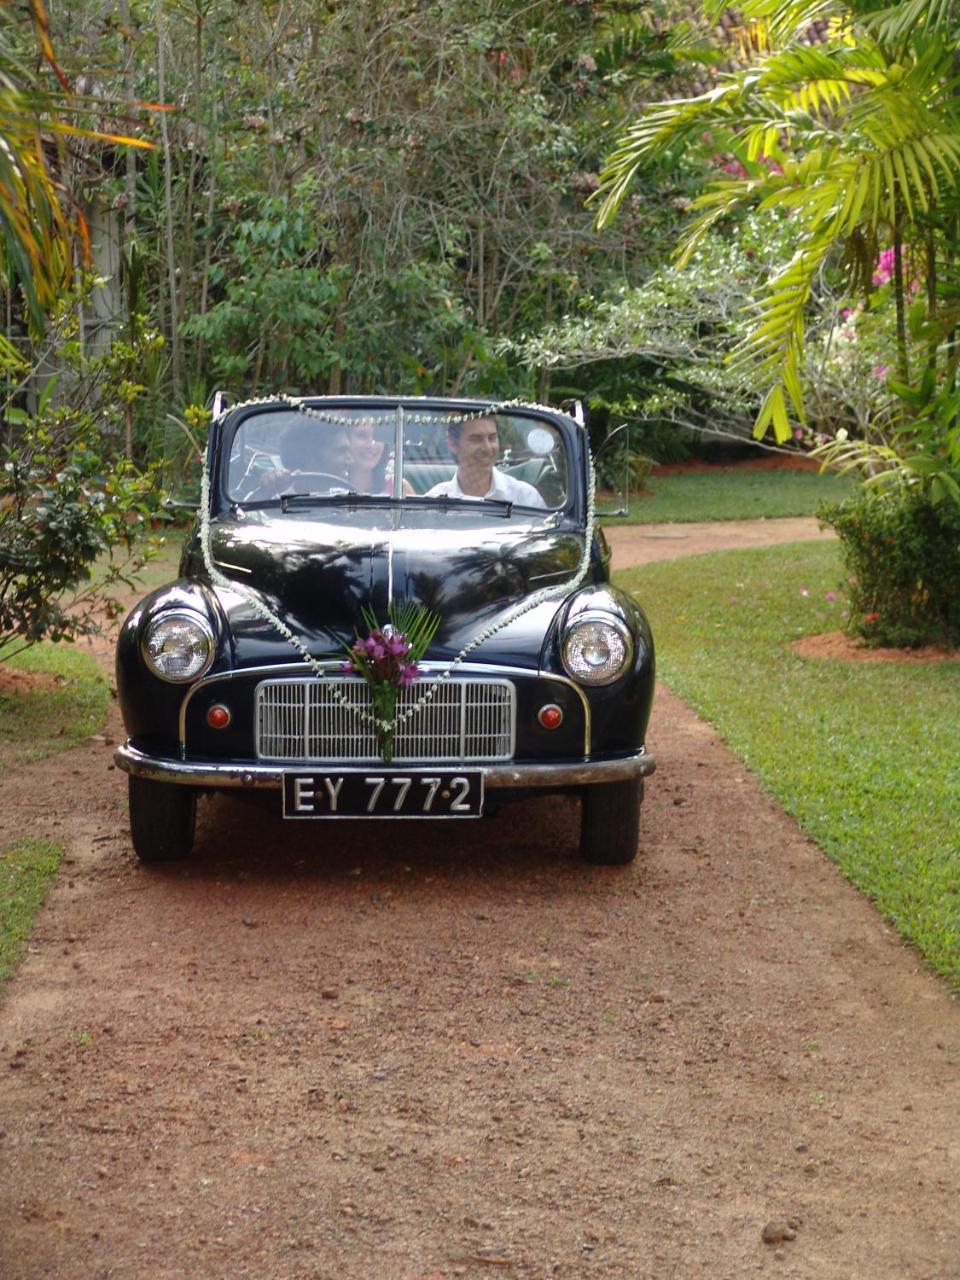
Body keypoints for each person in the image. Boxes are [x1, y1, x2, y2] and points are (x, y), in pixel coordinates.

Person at [425, 415, 545, 507]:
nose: (487, 448)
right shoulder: (434, 502)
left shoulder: (526, 498)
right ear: (453, 444)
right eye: (476, 439)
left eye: (492, 438)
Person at [241, 419, 351, 501]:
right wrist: (267, 491)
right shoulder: (276, 505)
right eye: (341, 451)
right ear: (311, 459)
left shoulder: (350, 500)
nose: (350, 460)